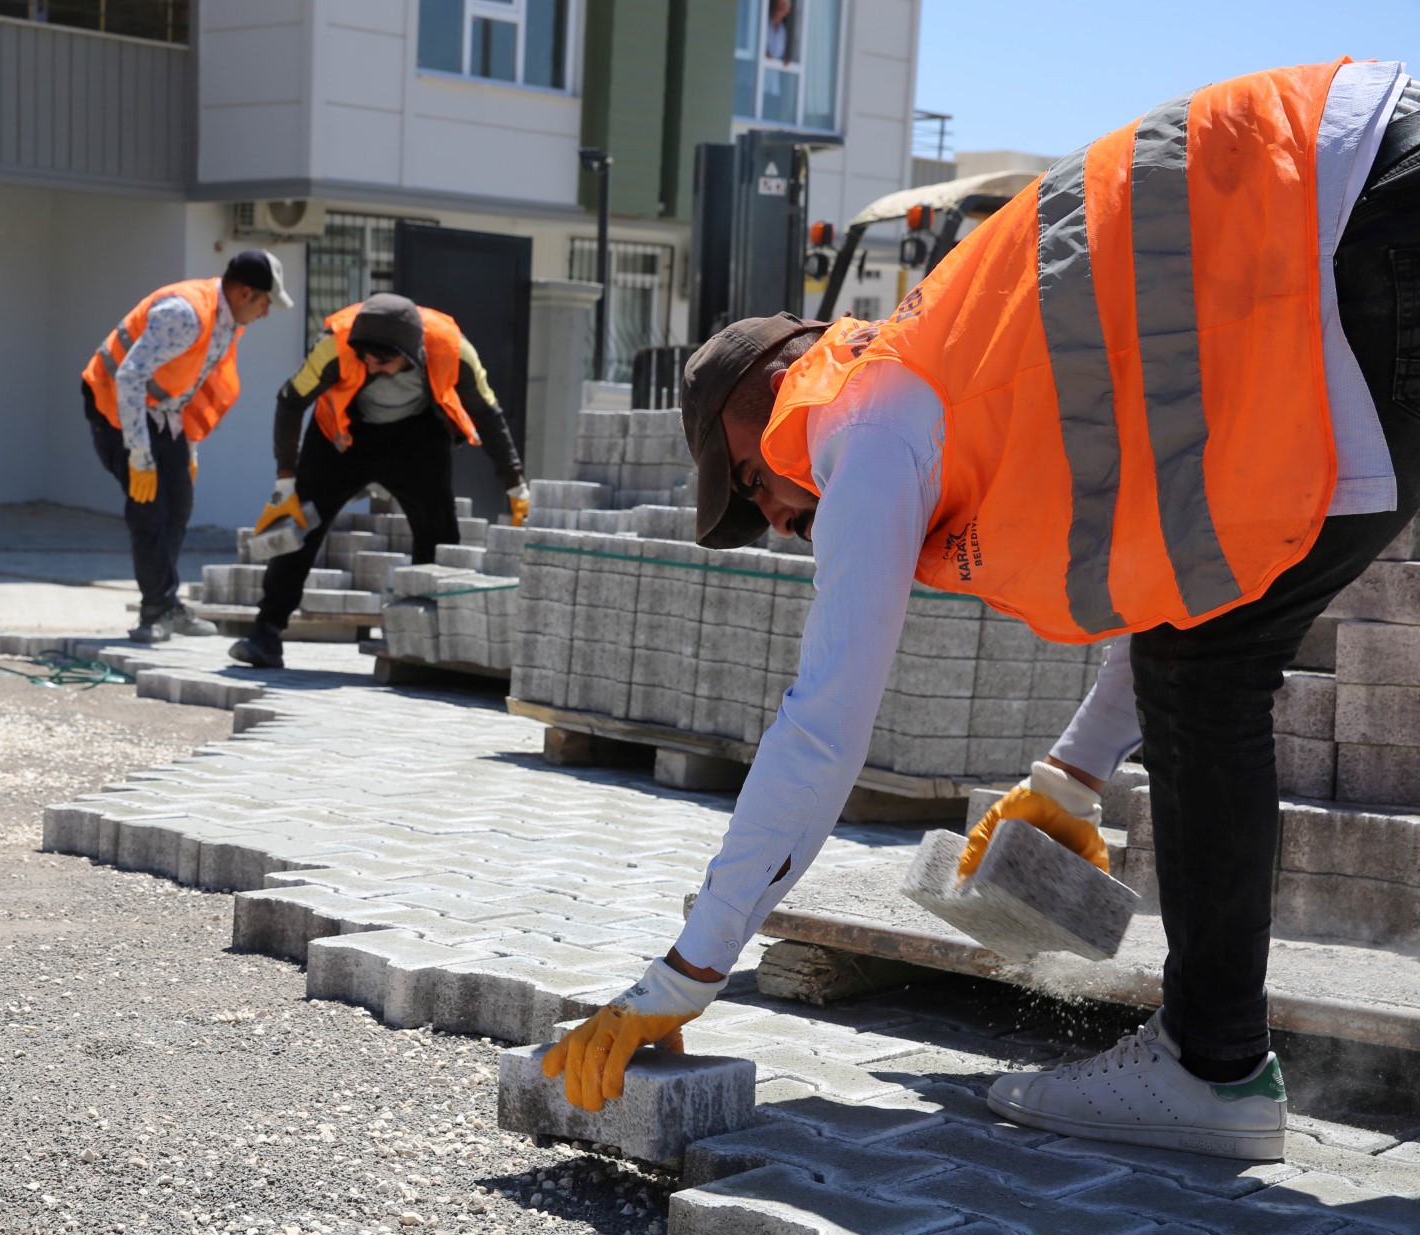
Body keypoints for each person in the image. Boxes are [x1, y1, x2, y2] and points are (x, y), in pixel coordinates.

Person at [545, 59, 1419, 1162]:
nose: (774, 518)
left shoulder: (861, 424)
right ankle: (1214, 1060)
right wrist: (1073, 771)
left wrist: (689, 968)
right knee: (1210, 646)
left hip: (1355, 213)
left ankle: (1211, 1067)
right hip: (1363, 199)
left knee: (1210, 670)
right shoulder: (972, 369)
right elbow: (1186, 565)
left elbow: (822, 723)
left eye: (752, 488)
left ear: (767, 405)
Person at [228, 292, 531, 669]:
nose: (373, 368)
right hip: (342, 436)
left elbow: (487, 413)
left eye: (384, 362)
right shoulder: (335, 345)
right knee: (300, 523)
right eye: (366, 361)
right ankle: (267, 631)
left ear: (411, 352)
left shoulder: (452, 348)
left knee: (439, 530)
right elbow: (290, 400)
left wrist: (515, 485)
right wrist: (286, 480)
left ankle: (424, 641)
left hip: (415, 437)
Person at [83, 249, 292, 643]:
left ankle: (167, 604)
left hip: (162, 412)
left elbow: (187, 384)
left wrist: (190, 445)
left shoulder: (225, 321)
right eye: (266, 302)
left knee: (178, 504)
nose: (266, 313)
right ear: (246, 293)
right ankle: (155, 611)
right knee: (149, 508)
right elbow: (129, 377)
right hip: (114, 404)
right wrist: (140, 455)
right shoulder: (185, 314)